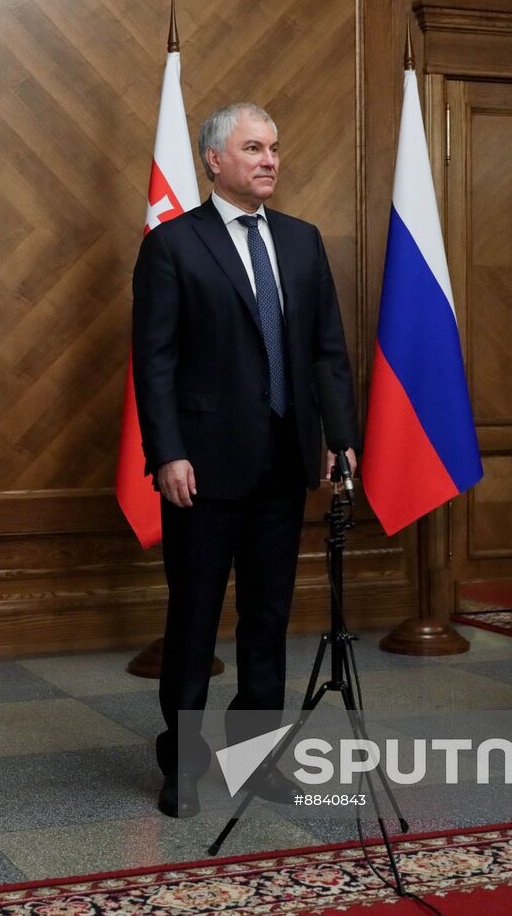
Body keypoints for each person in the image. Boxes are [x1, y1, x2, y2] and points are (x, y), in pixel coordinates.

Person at [132, 102, 358, 817]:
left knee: (267, 619)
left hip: (284, 464)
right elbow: (154, 362)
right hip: (200, 468)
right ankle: (183, 757)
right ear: (213, 160)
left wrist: (340, 434)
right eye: (253, 147)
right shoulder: (173, 246)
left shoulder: (302, 240)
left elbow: (328, 349)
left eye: (274, 147)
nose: (269, 159)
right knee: (195, 619)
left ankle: (255, 756)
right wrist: (166, 451)